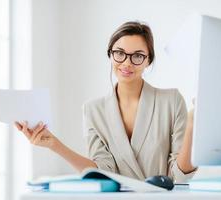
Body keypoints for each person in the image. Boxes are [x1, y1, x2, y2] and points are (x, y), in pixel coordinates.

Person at [14, 21, 197, 183]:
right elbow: (102, 172)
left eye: (138, 56)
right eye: (119, 53)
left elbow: (179, 176)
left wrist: (191, 125)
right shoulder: (93, 109)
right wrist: (54, 144)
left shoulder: (171, 101)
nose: (127, 63)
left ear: (148, 60)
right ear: (110, 55)